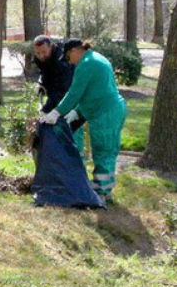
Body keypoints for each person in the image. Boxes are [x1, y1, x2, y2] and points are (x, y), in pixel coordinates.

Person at [42, 39, 128, 203]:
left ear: (75, 51)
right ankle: (103, 188)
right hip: (109, 109)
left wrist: (56, 112)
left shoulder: (87, 63)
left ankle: (102, 192)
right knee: (105, 150)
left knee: (103, 150)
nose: (69, 62)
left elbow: (75, 92)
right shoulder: (96, 58)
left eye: (68, 58)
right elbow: (94, 91)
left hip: (105, 112)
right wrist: (77, 111)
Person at [32, 34, 83, 152]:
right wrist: (41, 84)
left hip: (72, 98)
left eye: (44, 52)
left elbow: (60, 89)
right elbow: (46, 73)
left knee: (73, 130)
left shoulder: (62, 61)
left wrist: (46, 109)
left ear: (51, 47)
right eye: (38, 53)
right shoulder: (43, 58)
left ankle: (78, 162)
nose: (41, 56)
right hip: (57, 96)